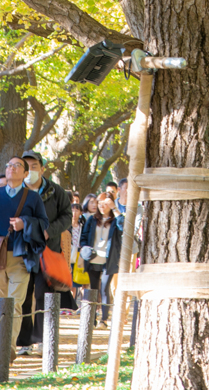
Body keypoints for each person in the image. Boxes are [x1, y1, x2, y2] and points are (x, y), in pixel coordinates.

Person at [16, 151, 74, 356]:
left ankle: (42, 339)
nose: (31, 170)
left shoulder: (56, 191)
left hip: (48, 252)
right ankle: (24, 342)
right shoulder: (15, 190)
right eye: (27, 166)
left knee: (43, 295)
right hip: (21, 252)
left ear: (42, 168)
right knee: (22, 296)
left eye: (34, 166)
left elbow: (67, 216)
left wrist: (50, 230)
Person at [0, 157, 48, 356]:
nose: (11, 168)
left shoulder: (33, 198)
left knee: (14, 303)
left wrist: (24, 223)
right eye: (9, 165)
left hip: (21, 256)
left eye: (17, 165)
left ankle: (7, 351)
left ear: (25, 174)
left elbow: (44, 224)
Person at [80, 192, 123, 328]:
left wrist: (115, 210)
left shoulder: (116, 220)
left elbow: (124, 228)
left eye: (105, 204)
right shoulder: (92, 220)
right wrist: (85, 249)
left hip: (108, 259)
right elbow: (84, 237)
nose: (102, 206)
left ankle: (103, 320)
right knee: (93, 289)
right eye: (99, 203)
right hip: (93, 259)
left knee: (104, 289)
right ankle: (91, 319)